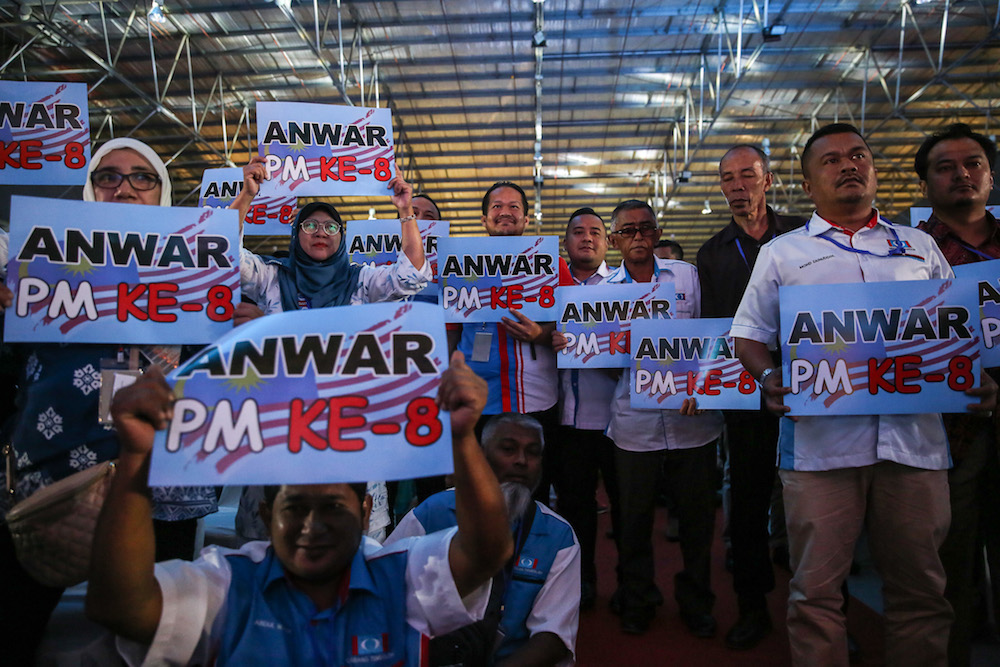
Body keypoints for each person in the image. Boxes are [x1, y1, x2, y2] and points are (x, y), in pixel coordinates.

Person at [733, 122, 996, 666]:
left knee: (923, 592)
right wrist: (766, 377)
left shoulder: (920, 246)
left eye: (858, 156)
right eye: (830, 160)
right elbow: (748, 335)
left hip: (914, 447)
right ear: (808, 184)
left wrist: (975, 374)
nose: (848, 165)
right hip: (819, 450)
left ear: (875, 170)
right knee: (816, 595)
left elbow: (954, 328)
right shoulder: (783, 253)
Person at [85, 352, 512, 665]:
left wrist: (462, 440)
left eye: (332, 507)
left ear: (365, 512)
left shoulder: (402, 578)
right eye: (295, 507)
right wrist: (137, 461)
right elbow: (121, 608)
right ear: (268, 515)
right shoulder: (226, 584)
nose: (312, 525)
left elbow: (487, 553)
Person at [0, 138, 217, 666]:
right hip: (51, 476)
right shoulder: (36, 258)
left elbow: (217, 371)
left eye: (142, 176)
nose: (124, 186)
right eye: (109, 176)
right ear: (89, 188)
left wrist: (231, 325)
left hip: (158, 479)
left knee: (143, 631)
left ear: (161, 191)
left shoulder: (195, 266)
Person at [230, 157, 431, 541]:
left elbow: (410, 276)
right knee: (273, 534)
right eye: (310, 225)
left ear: (342, 234)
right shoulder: (273, 277)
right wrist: (247, 195)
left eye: (329, 226)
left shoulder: (360, 281)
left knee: (349, 535)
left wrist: (406, 211)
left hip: (346, 422)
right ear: (297, 233)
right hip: (281, 424)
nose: (319, 232)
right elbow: (224, 257)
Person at [696, 144, 806, 650]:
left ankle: (830, 608)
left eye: (747, 175)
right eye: (728, 179)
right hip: (749, 394)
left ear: (768, 179)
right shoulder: (713, 252)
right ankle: (752, 606)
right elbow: (716, 329)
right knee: (747, 504)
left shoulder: (806, 233)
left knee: (821, 504)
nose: (738, 186)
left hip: (816, 386)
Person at [600, 200, 723, 637]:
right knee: (632, 523)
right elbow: (593, 350)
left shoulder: (687, 276)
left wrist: (708, 384)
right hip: (634, 424)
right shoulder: (601, 292)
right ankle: (638, 598)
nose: (638, 237)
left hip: (694, 423)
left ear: (656, 233)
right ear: (613, 240)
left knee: (697, 522)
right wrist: (570, 341)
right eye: (628, 231)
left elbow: (715, 335)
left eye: (646, 229)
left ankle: (697, 602)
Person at [387, 412, 580, 666]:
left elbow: (553, 637)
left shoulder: (558, 537)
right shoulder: (431, 513)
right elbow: (383, 589)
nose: (522, 461)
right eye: (508, 449)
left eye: (533, 452)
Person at [914, 122, 999, 667]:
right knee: (948, 565)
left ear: (990, 175)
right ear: (925, 183)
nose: (961, 174)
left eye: (972, 164)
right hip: (948, 432)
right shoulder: (904, 255)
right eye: (945, 166)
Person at [448, 181, 560, 504]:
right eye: (497, 207)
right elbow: (451, 334)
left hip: (538, 401)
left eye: (514, 207)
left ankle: (532, 554)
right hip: (479, 402)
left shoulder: (553, 263)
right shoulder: (460, 264)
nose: (505, 213)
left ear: (526, 219)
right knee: (480, 495)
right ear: (483, 219)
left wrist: (540, 334)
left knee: (534, 495)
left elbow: (575, 322)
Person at [550, 207, 619, 611]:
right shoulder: (547, 290)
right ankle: (582, 584)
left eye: (596, 232)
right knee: (576, 512)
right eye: (578, 232)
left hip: (616, 420)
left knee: (626, 511)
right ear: (566, 243)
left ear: (607, 242)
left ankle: (632, 587)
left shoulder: (624, 288)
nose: (587, 238)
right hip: (566, 422)